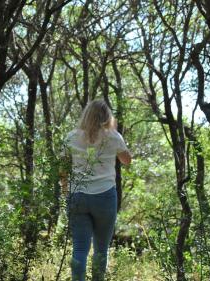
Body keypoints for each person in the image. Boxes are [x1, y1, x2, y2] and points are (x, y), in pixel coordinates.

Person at [60, 100, 132, 281]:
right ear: (107, 117)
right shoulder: (113, 136)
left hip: (77, 197)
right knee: (101, 249)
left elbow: (62, 168)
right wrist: (114, 133)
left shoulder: (71, 137)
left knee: (80, 248)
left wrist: (65, 190)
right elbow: (127, 160)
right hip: (105, 198)